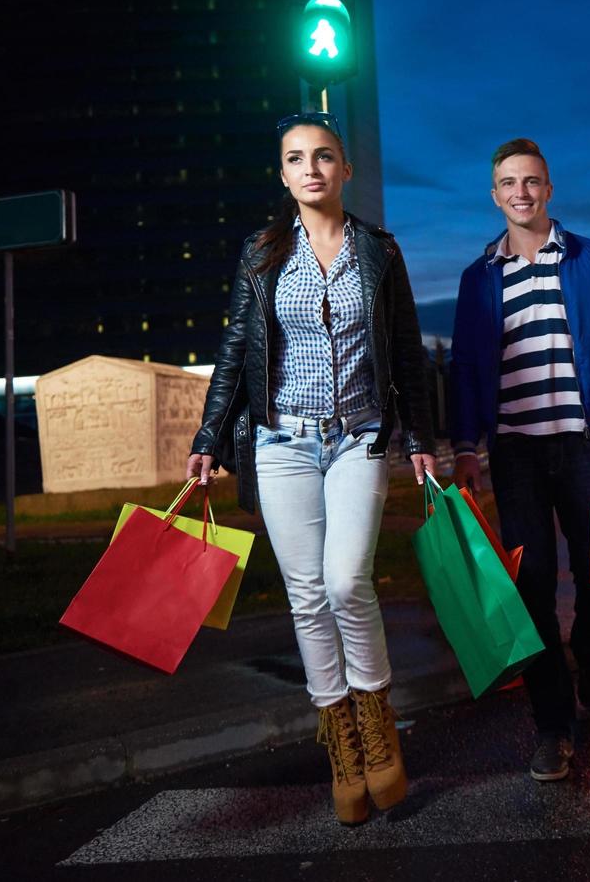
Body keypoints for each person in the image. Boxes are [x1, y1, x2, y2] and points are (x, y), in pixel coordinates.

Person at [187, 112, 437, 824]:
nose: (312, 169)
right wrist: (209, 434)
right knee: (304, 593)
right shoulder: (262, 251)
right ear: (284, 173)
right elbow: (235, 349)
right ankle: (341, 741)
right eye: (296, 159)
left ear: (344, 169)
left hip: (359, 438)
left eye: (324, 156)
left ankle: (378, 724)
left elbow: (407, 351)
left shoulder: (379, 253)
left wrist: (417, 434)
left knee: (345, 579)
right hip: (280, 445)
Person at [449, 138, 590, 782]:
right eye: (508, 182)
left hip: (584, 442)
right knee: (532, 585)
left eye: (531, 181)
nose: (520, 192)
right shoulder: (479, 277)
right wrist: (464, 443)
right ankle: (553, 727)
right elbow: (464, 367)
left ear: (549, 188)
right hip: (516, 453)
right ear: (494, 194)